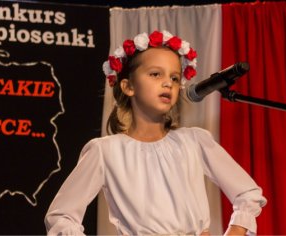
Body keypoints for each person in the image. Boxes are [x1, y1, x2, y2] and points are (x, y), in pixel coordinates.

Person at [44, 30, 267, 236]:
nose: (167, 84)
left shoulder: (194, 141)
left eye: (174, 78)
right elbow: (61, 216)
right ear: (128, 86)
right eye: (155, 74)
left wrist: (236, 231)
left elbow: (248, 194)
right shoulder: (105, 151)